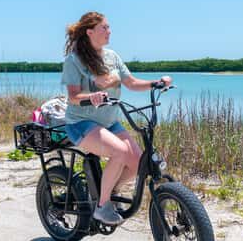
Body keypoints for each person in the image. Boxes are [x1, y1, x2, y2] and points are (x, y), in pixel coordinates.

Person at [61, 12, 172, 225]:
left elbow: (130, 83)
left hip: (109, 121)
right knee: (119, 152)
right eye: (105, 28)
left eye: (109, 27)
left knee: (138, 164)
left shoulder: (112, 57)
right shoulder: (74, 60)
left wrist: (155, 83)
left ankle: (109, 191)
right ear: (90, 32)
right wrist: (91, 97)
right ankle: (102, 207)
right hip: (81, 123)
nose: (109, 31)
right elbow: (74, 97)